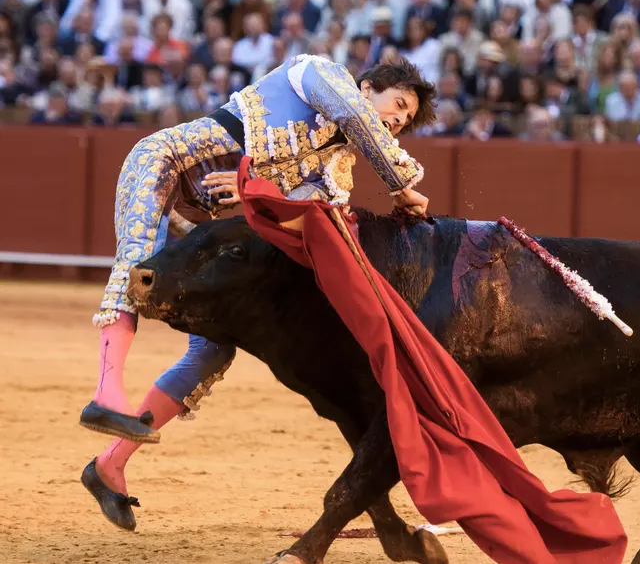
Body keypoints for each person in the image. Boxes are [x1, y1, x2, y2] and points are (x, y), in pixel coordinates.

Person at [81, 54, 436, 531]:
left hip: (201, 226)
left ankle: (109, 464)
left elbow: (304, 212)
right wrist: (402, 184)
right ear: (368, 86)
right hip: (161, 165)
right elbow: (354, 115)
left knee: (213, 351)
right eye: (399, 104)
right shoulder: (317, 73)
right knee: (136, 265)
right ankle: (107, 393)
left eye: (406, 121)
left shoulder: (338, 171)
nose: (397, 121)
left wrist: (252, 185)